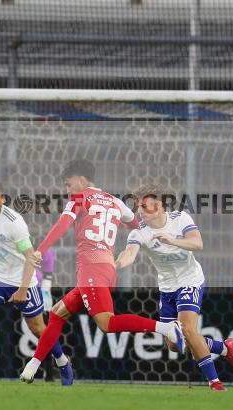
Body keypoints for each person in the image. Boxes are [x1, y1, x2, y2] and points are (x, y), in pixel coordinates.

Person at [19, 160, 185, 383]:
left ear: (81, 180)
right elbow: (136, 225)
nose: (67, 190)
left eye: (69, 184)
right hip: (107, 268)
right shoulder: (115, 201)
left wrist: (40, 250)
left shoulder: (79, 198)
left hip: (91, 269)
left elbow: (62, 224)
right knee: (57, 312)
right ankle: (41, 364)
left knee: (106, 323)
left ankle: (166, 327)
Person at [115, 184, 233, 391]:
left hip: (190, 280)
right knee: (174, 345)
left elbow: (198, 243)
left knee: (187, 329)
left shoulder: (180, 219)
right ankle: (224, 348)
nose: (139, 210)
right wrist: (116, 265)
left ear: (158, 206)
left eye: (144, 206)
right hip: (167, 288)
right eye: (138, 206)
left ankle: (215, 383)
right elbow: (129, 254)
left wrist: (172, 240)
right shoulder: (139, 233)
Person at [0, 180, 74, 386]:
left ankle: (62, 361)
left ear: (3, 199)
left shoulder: (14, 222)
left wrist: (23, 288)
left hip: (22, 279)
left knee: (38, 329)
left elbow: (31, 257)